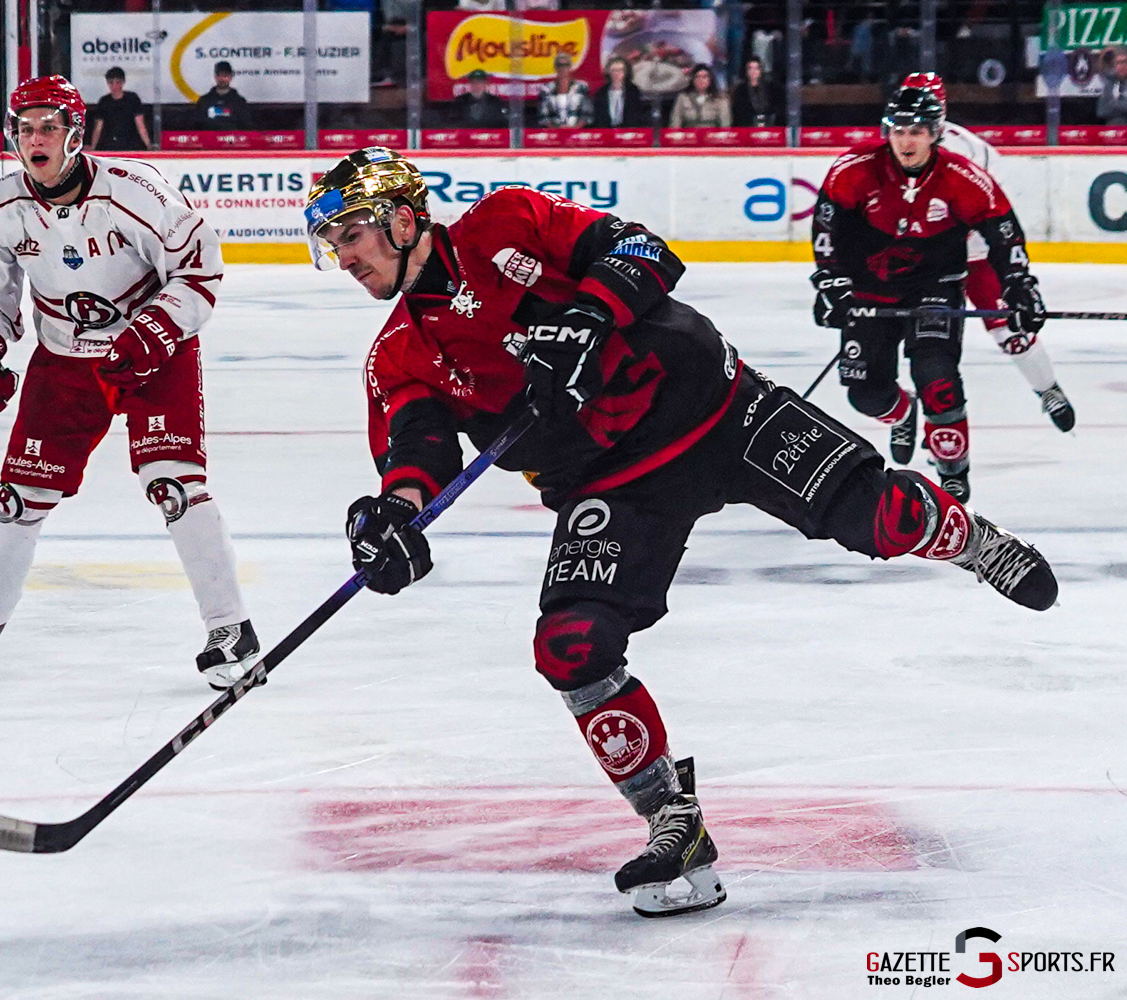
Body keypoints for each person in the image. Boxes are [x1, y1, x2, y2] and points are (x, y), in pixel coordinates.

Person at [302, 146, 1057, 917]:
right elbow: (417, 450)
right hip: (612, 484)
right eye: (333, 245)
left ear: (402, 220)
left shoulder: (506, 221)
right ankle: (675, 824)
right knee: (571, 646)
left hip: (717, 408)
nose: (343, 256)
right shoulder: (400, 353)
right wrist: (393, 515)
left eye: (350, 236)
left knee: (881, 516)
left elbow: (644, 251)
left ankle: (973, 542)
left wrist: (589, 317)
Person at [0, 76, 259, 690]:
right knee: (17, 499)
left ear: (75, 134)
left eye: (49, 126)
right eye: (25, 129)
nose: (36, 139)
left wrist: (157, 327)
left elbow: (199, 266)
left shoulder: (135, 191)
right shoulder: (2, 208)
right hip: (64, 362)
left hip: (150, 355)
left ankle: (231, 625)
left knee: (175, 487)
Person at [811, 85, 1049, 503]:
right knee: (865, 393)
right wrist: (830, 280)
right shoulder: (854, 168)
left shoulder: (963, 177)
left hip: (934, 287)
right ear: (888, 132)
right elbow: (827, 226)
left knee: (936, 376)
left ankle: (952, 470)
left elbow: (1002, 231)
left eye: (917, 131)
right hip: (871, 290)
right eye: (900, 130)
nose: (907, 140)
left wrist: (1019, 283)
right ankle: (903, 413)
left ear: (935, 133)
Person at [903, 72, 1073, 431]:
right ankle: (903, 411)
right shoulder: (900, 147)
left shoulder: (967, 150)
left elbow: (993, 213)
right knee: (916, 341)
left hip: (977, 257)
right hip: (927, 263)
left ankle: (1047, 388)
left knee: (1008, 327)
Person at [89, 66, 154, 152]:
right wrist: (93, 147)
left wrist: (148, 145)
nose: (114, 86)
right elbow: (98, 127)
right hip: (110, 146)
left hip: (131, 145)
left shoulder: (132, 99)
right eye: (111, 83)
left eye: (117, 82)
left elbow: (140, 124)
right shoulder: (104, 102)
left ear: (123, 82)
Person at [537, 53, 592, 128]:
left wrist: (574, 129)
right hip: (554, 133)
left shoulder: (581, 86)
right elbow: (543, 116)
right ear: (555, 67)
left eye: (566, 65)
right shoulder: (546, 89)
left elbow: (587, 114)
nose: (563, 68)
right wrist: (557, 131)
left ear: (570, 67)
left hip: (577, 133)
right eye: (560, 65)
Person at [193, 61, 253, 131]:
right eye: (219, 75)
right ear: (215, 77)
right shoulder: (204, 101)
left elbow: (246, 126)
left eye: (226, 76)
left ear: (231, 77)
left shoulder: (239, 101)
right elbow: (197, 125)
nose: (222, 79)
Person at [668, 64, 731, 128]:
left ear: (710, 79)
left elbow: (725, 124)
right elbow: (675, 122)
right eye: (697, 77)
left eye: (704, 77)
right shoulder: (683, 98)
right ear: (693, 80)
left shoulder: (720, 99)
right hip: (688, 135)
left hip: (712, 135)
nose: (701, 80)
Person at [592, 56, 646, 129]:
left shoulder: (633, 91)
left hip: (628, 131)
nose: (617, 73)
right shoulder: (601, 92)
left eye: (620, 70)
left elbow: (637, 115)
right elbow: (598, 116)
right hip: (606, 131)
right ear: (608, 72)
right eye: (614, 70)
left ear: (626, 72)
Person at [729, 56, 782, 126]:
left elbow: (777, 108)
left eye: (756, 68)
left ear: (761, 70)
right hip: (748, 127)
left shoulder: (772, 88)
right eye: (750, 68)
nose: (753, 71)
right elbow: (739, 113)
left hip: (770, 125)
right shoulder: (740, 90)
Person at [1096, 50, 1127, 125]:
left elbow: (1109, 106)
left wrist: (1113, 104)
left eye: (1124, 62)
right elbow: (1101, 111)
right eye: (1118, 63)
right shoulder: (1109, 85)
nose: (1121, 66)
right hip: (1114, 127)